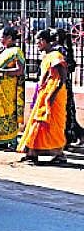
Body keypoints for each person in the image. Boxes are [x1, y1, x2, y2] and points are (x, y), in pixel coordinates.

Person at [17, 29, 70, 165]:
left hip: (54, 95)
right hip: (45, 93)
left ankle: (58, 154)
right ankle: (32, 153)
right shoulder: (47, 56)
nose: (37, 44)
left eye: (38, 41)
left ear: (44, 41)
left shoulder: (55, 56)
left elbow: (62, 77)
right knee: (37, 122)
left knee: (49, 124)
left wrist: (50, 97)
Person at [54, 27, 83, 145]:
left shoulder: (59, 50)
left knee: (65, 111)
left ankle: (68, 138)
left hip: (61, 84)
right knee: (68, 111)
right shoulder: (65, 49)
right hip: (66, 83)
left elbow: (69, 66)